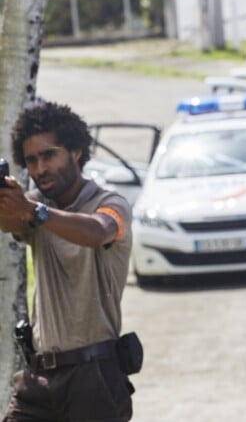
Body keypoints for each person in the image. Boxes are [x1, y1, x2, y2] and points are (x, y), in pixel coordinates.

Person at [0, 101, 135, 421]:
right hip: (38, 378)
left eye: (49, 155)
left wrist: (33, 212)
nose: (40, 168)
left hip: (95, 377)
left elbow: (96, 231)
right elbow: (12, 222)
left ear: (75, 151)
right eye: (31, 160)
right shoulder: (33, 206)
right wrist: (10, 203)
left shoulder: (110, 203)